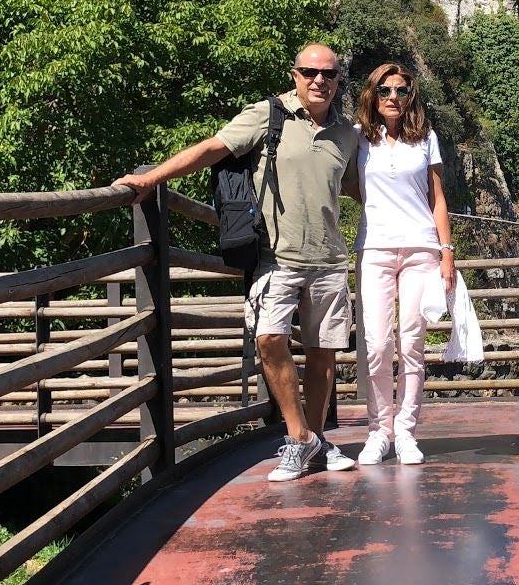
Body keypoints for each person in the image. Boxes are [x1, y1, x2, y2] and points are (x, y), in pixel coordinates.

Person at [114, 44, 360, 483]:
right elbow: (213, 147)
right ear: (295, 74)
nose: (319, 80)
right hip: (276, 256)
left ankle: (314, 443)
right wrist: (151, 179)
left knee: (323, 355)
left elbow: (362, 187)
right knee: (269, 339)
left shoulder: (346, 133)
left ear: (339, 79)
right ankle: (298, 436)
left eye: (328, 74)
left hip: (328, 260)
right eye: (309, 72)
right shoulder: (269, 115)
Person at [353, 62, 456, 467]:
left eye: (401, 89)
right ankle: (378, 430)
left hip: (421, 248)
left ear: (410, 94)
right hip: (375, 248)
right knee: (377, 345)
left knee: (412, 342)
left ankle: (406, 432)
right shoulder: (359, 139)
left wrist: (447, 252)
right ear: (372, 95)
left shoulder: (425, 137)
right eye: (385, 90)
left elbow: (438, 198)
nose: (393, 97)